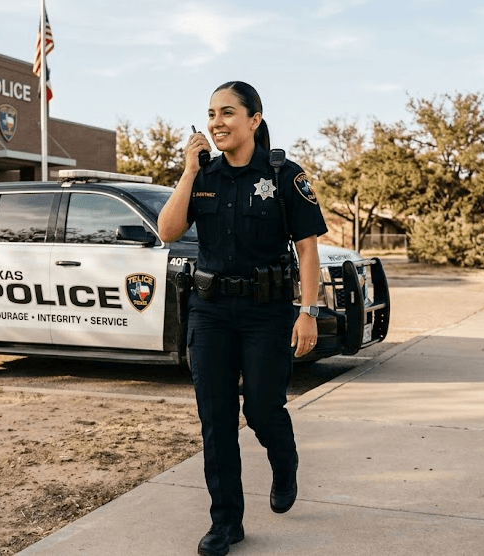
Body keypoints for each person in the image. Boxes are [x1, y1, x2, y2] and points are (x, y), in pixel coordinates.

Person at [158, 81, 328, 556]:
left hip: (266, 313)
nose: (217, 122)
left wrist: (308, 311)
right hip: (210, 311)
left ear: (254, 119)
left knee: (261, 408)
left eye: (228, 112)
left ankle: (284, 460)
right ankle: (226, 522)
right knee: (215, 418)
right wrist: (189, 172)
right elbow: (168, 231)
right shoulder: (204, 175)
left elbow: (308, 247)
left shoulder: (282, 175)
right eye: (211, 113)